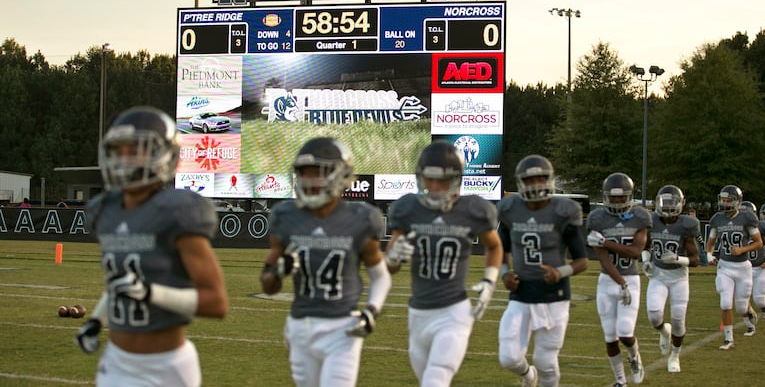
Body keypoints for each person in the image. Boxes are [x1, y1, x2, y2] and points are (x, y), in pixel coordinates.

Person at [74, 106, 229, 386]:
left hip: (165, 366)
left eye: (134, 150)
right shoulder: (105, 211)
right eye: (118, 151)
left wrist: (150, 293)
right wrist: (96, 321)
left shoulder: (177, 211)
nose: (123, 159)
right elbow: (121, 282)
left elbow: (217, 303)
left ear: (162, 155)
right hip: (115, 359)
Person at [259, 137, 392, 387]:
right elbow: (268, 286)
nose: (309, 181)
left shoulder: (361, 218)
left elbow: (380, 275)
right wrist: (277, 272)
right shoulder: (286, 216)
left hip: (343, 328)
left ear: (339, 175)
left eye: (317, 174)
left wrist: (372, 311)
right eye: (304, 174)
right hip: (300, 327)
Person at [385, 141, 503, 387]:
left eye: (443, 181)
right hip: (417, 313)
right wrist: (394, 257)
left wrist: (490, 281)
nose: (436, 187)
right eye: (430, 179)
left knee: (435, 380)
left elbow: (494, 245)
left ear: (456, 180)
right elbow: (389, 266)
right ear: (420, 178)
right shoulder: (408, 208)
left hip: (454, 312)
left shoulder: (472, 209)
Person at [496, 155, 588, 387]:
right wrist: (505, 273)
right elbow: (500, 250)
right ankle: (528, 375)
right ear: (520, 183)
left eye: (540, 179)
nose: (535, 184)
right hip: (522, 294)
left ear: (549, 180)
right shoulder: (509, 209)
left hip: (554, 295)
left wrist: (561, 272)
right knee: (508, 357)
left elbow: (582, 261)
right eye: (530, 180)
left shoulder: (563, 211)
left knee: (545, 360)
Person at [586, 172, 651, 386]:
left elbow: (634, 252)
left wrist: (605, 242)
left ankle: (634, 356)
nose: (615, 201)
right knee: (609, 336)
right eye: (612, 197)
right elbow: (604, 261)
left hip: (631, 279)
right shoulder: (597, 219)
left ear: (629, 197)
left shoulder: (640, 217)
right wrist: (619, 283)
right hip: (608, 281)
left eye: (620, 197)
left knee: (625, 332)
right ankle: (620, 381)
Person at [642, 185, 699, 373]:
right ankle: (663, 332)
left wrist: (678, 259)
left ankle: (674, 356)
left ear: (680, 204)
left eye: (671, 203)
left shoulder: (687, 224)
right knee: (653, 315)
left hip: (678, 278)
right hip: (658, 275)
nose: (667, 207)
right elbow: (646, 245)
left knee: (678, 319)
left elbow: (695, 260)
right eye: (664, 203)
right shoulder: (652, 221)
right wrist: (645, 261)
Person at [704, 185, 763, 350]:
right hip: (725, 266)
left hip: (743, 267)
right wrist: (709, 255)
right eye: (722, 199)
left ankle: (748, 314)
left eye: (728, 200)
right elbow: (710, 243)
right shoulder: (717, 219)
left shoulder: (747, 218)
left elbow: (759, 243)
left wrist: (742, 249)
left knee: (741, 306)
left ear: (737, 202)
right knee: (725, 302)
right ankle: (728, 339)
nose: (724, 202)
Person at [740, 201, 765, 335]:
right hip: (744, 268)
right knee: (741, 298)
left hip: (760, 268)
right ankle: (749, 321)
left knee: (760, 300)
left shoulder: (761, 227)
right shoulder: (736, 227)